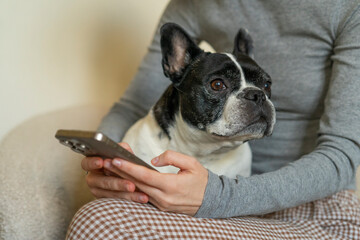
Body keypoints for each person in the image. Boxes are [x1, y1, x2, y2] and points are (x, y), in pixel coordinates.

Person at [66, 0, 360, 239]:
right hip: (203, 196)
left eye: (263, 87)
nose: (258, 97)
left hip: (315, 207)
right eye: (219, 85)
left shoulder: (347, 8)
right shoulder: (192, 4)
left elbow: (342, 154)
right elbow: (133, 103)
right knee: (97, 219)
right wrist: (107, 159)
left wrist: (216, 196)